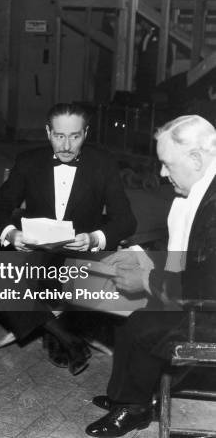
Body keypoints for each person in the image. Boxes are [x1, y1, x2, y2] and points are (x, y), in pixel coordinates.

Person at [86, 115, 216, 437]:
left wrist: (145, 281)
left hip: (210, 310)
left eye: (167, 164)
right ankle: (126, 398)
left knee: (144, 323)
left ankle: (135, 408)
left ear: (196, 159)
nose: (161, 173)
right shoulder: (202, 190)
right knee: (129, 315)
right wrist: (139, 253)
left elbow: (203, 284)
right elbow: (185, 248)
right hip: (200, 293)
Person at [0, 102, 137, 375]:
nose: (66, 146)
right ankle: (66, 336)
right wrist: (11, 233)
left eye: (75, 136)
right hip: (39, 249)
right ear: (47, 132)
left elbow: (126, 221)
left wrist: (93, 238)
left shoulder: (103, 164)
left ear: (86, 133)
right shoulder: (29, 161)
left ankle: (56, 332)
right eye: (59, 136)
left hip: (82, 254)